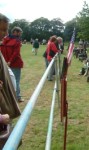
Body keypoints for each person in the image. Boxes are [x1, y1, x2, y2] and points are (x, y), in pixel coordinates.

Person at [0, 13, 21, 148]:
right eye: (2, 29)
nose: (5, 33)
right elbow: (15, 54)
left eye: (7, 29)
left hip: (6, 101)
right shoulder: (14, 42)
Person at [1, 26, 24, 102]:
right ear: (15, 32)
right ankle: (17, 97)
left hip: (5, 63)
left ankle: (9, 97)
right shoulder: (17, 41)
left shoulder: (4, 40)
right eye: (19, 32)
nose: (20, 34)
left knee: (6, 80)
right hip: (14, 63)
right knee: (16, 80)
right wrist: (10, 61)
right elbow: (16, 53)